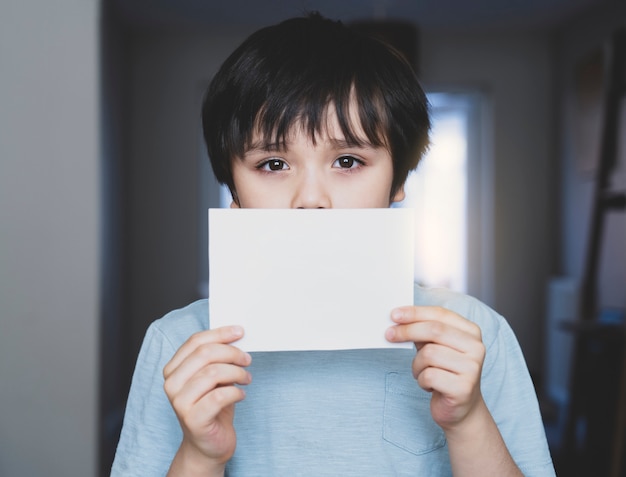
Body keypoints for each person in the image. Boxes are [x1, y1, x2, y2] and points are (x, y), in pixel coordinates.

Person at [111, 13, 555, 476]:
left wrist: (467, 420)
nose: (310, 200)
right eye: (273, 164)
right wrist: (200, 455)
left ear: (398, 179)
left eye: (347, 160)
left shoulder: (474, 334)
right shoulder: (179, 344)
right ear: (234, 190)